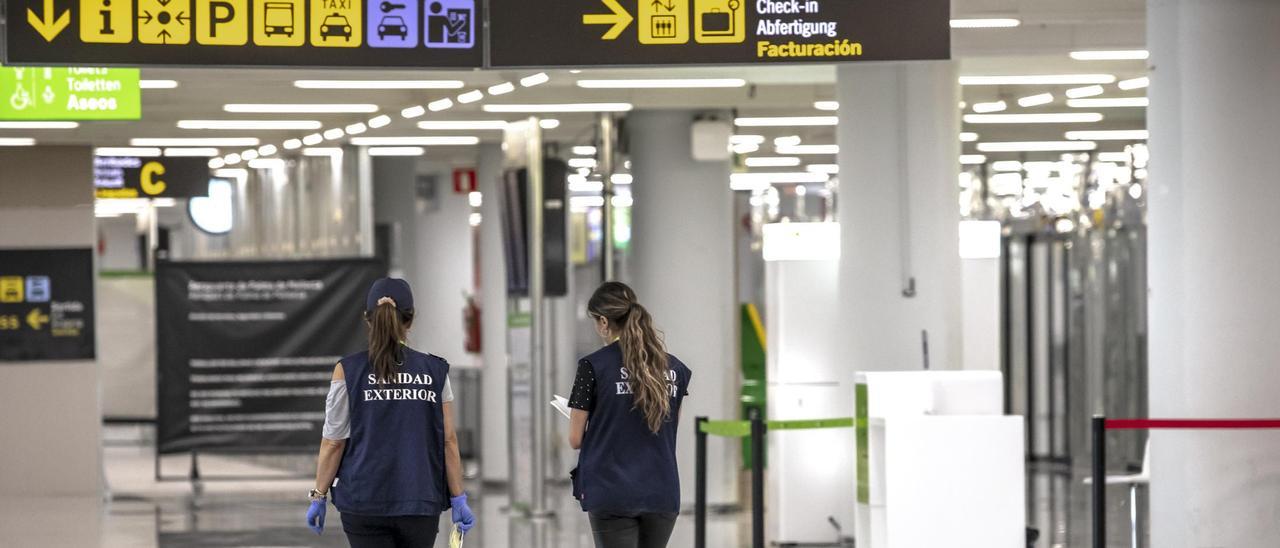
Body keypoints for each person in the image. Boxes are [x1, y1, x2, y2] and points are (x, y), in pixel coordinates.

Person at [305, 278, 476, 547]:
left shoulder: (347, 370)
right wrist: (458, 497)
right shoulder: (434, 371)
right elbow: (448, 440)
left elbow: (334, 442)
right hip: (419, 500)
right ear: (411, 319)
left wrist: (319, 495)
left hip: (363, 500)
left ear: (368, 319)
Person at [568, 281, 693, 548]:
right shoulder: (676, 369)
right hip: (662, 491)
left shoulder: (592, 366)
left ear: (604, 322)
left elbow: (576, 439)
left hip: (612, 491)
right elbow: (669, 427)